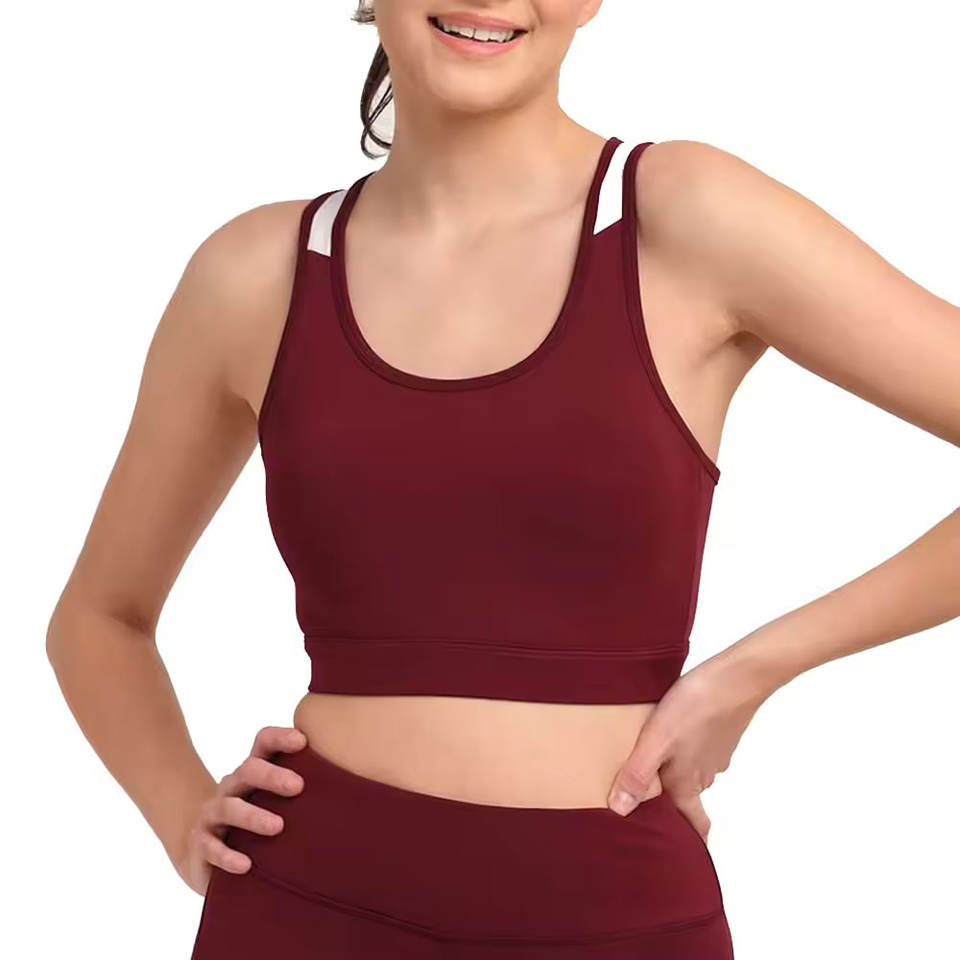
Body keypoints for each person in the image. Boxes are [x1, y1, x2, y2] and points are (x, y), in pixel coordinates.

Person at [45, 2, 960, 958]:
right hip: (308, 908)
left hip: (616, 915)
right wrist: (181, 811)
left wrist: (752, 671)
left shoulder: (685, 216)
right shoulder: (256, 272)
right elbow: (99, 617)